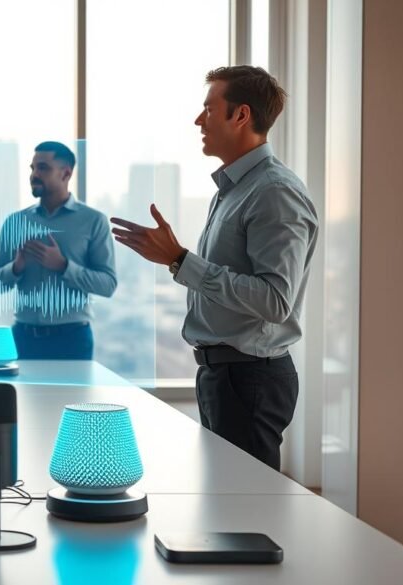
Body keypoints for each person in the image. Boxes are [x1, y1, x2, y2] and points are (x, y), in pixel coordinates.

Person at [110, 66, 318, 471]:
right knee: (228, 511)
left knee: (247, 514)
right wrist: (178, 260)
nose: (198, 120)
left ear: (240, 115)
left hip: (249, 379)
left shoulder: (274, 192)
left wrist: (180, 259)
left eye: (209, 108)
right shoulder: (234, 190)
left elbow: (276, 301)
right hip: (226, 376)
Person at [0, 141, 117, 360]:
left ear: (66, 173)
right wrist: (16, 268)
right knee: (23, 396)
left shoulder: (94, 221)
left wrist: (63, 266)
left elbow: (108, 285)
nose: (34, 174)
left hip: (73, 340)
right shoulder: (15, 222)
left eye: (43, 168)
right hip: (23, 339)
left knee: (73, 397)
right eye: (33, 168)